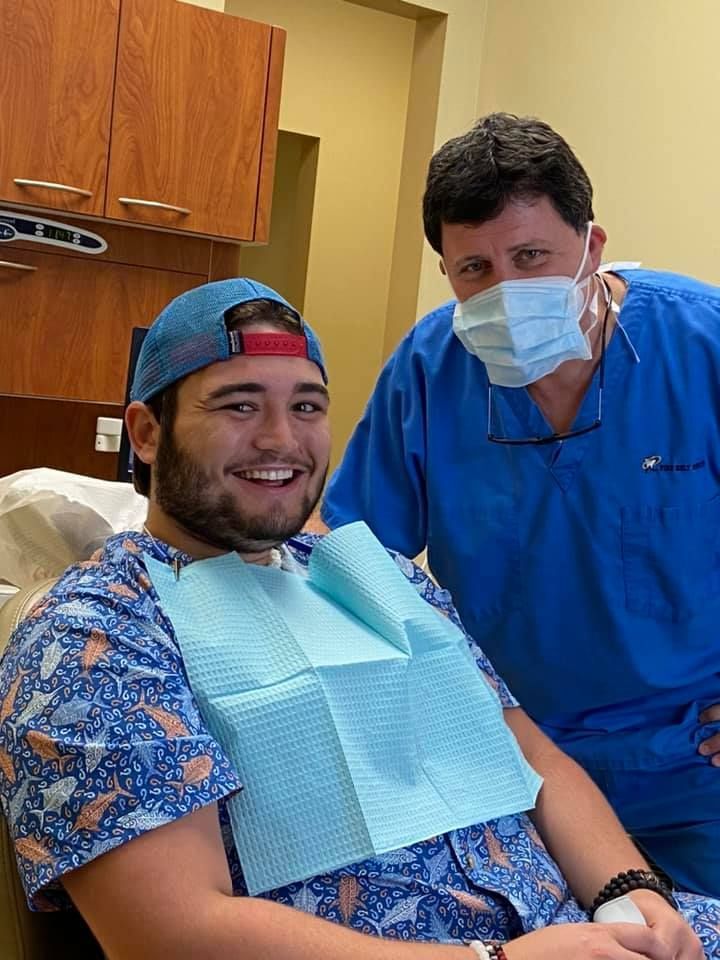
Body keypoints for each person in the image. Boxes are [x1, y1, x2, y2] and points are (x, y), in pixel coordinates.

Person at [0, 278, 716, 960]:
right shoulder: (98, 634)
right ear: (148, 433)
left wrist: (632, 893)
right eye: (239, 406)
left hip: (577, 927)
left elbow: (533, 758)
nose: (282, 439)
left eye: (307, 406)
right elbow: (169, 933)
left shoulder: (381, 577)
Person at [321, 112, 720, 899]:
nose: (505, 292)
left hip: (691, 766)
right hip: (514, 763)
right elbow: (352, 554)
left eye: (532, 257)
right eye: (475, 269)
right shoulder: (432, 369)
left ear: (592, 247)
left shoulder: (700, 346)